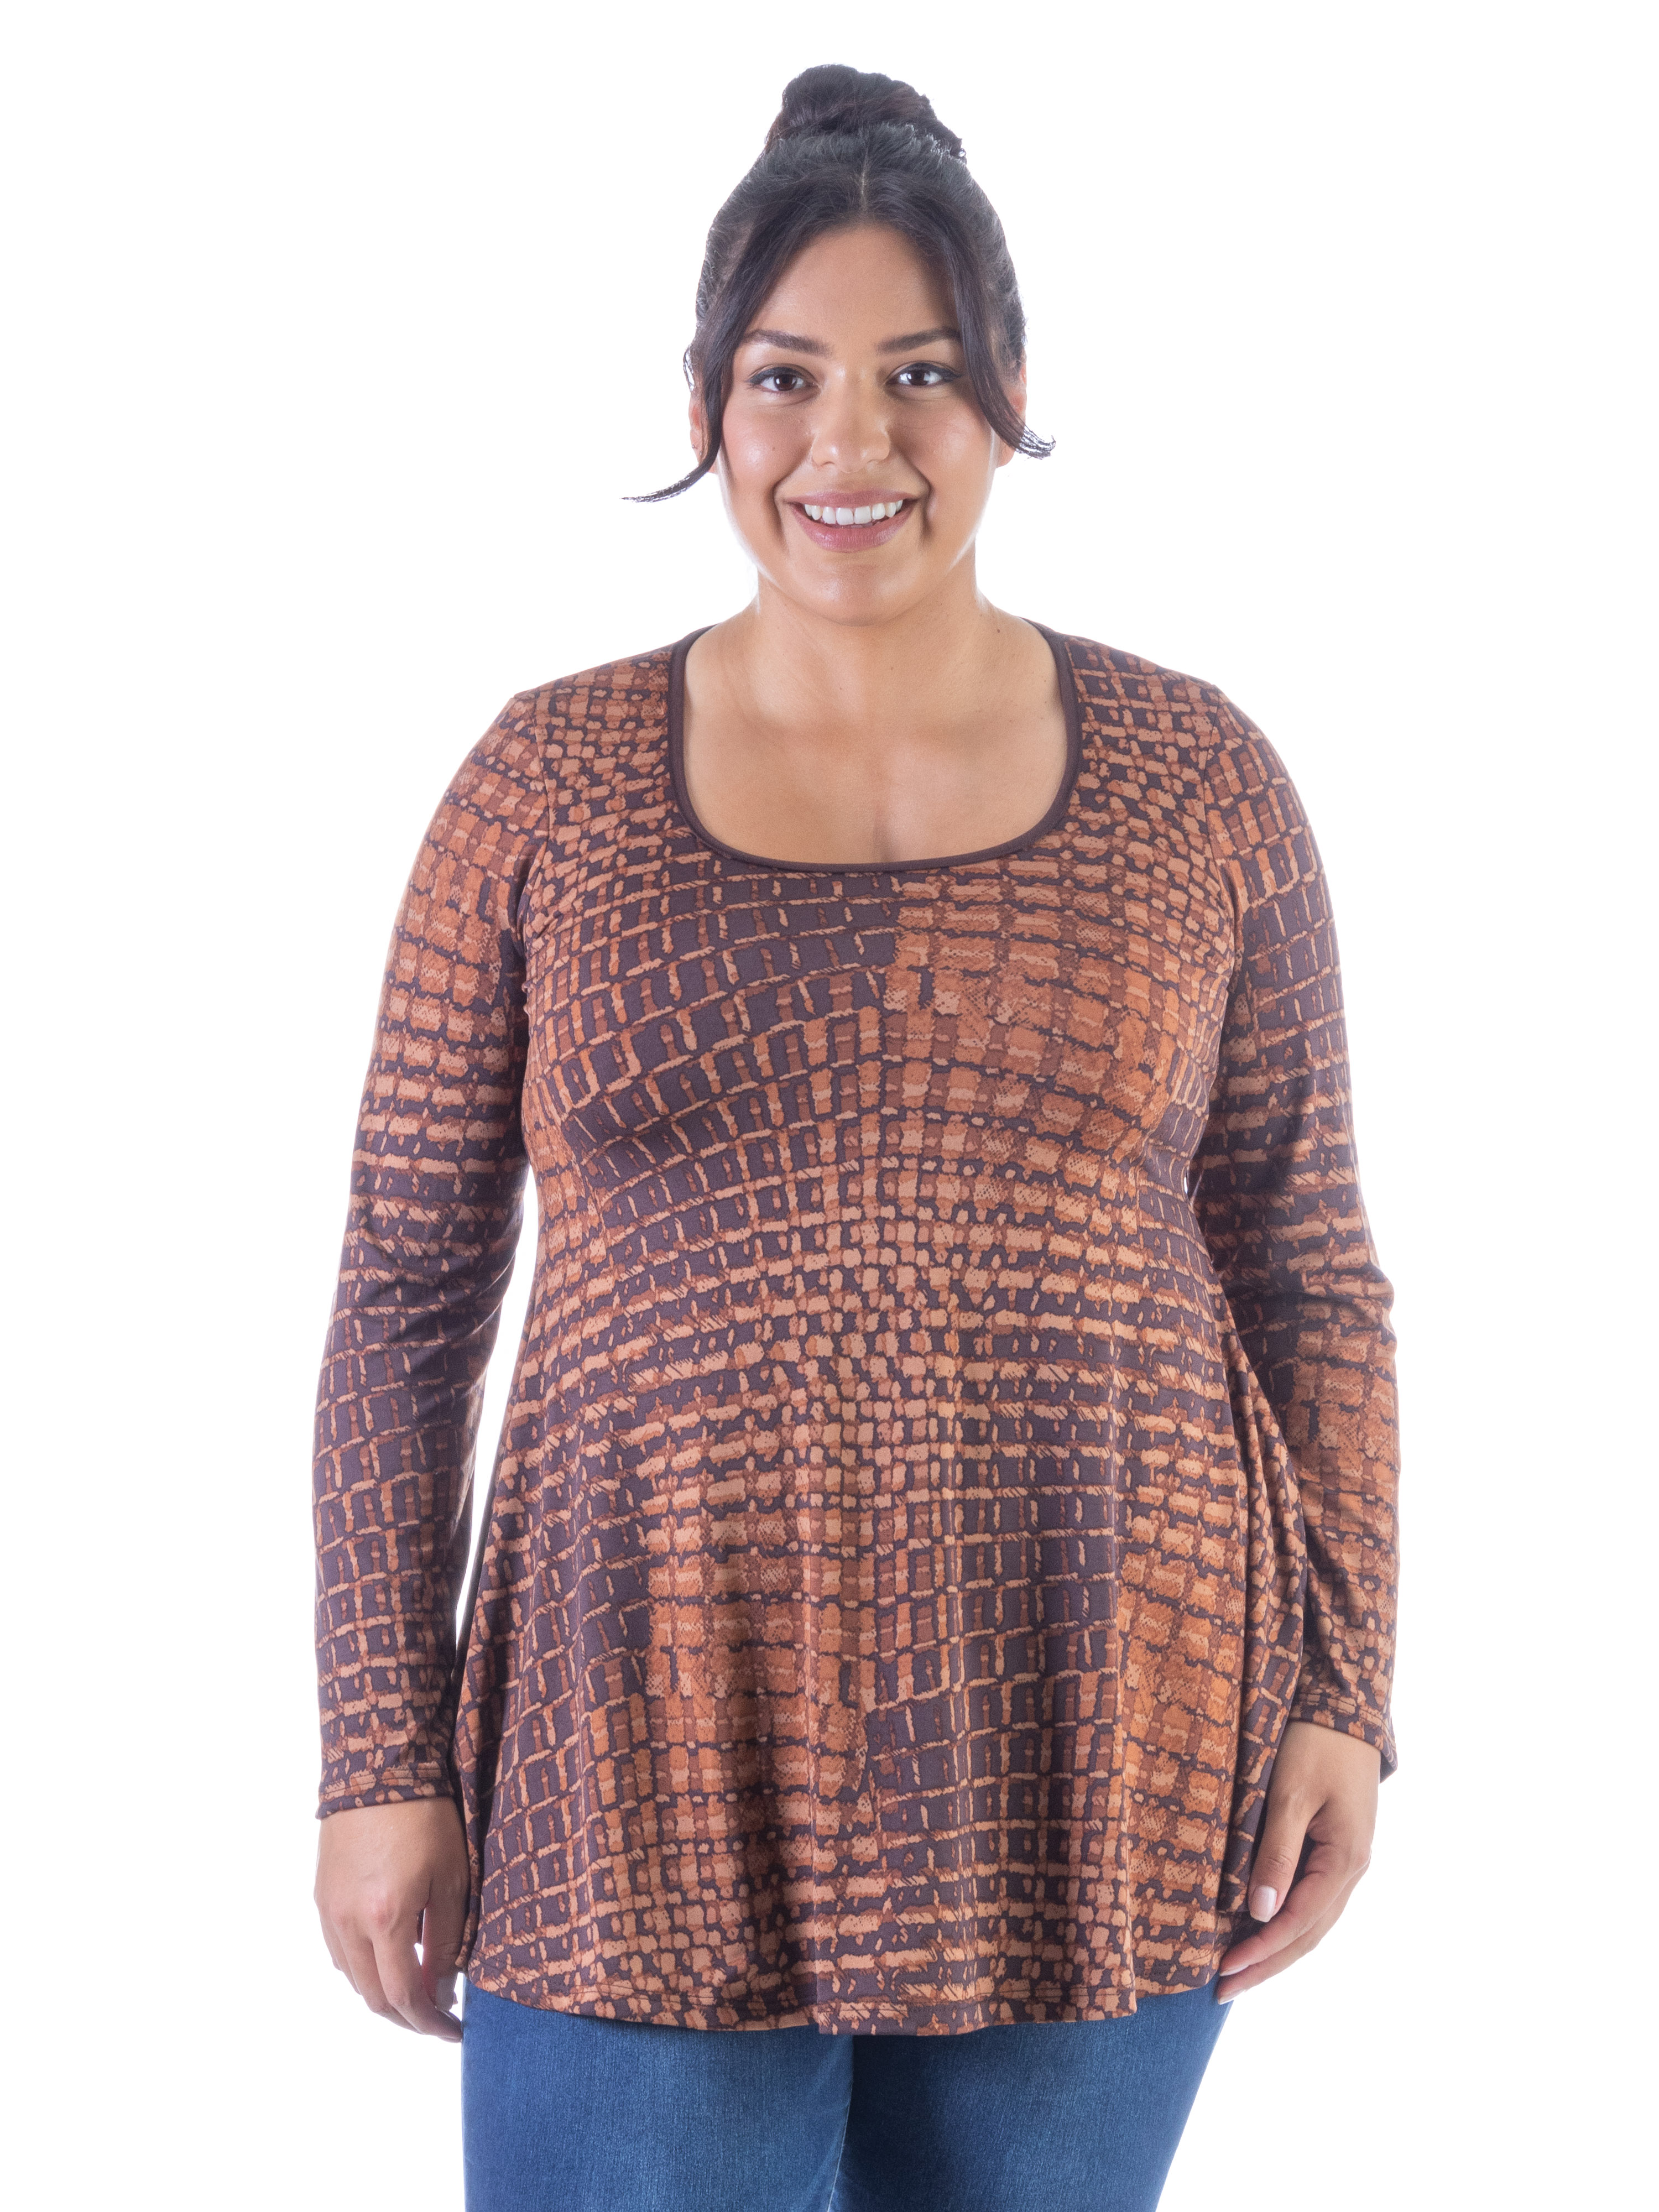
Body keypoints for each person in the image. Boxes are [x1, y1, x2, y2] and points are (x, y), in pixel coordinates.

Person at [312, 62, 1399, 2212]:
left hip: (1105, 1743)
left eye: (922, 374)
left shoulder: (1201, 781)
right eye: (787, 376)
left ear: (1010, 397)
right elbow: (404, 1299)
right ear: (708, 402)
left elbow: (1310, 1269)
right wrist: (377, 1752)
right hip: (629, 1762)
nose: (853, 444)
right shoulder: (545, 785)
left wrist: (1348, 1692)